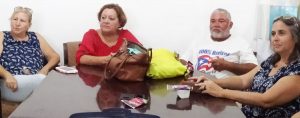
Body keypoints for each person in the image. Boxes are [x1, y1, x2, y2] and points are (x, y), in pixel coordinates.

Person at [193, 16, 300, 118]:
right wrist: (212, 82)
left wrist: (221, 92)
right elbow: (243, 80)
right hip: (244, 113)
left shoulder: (296, 70)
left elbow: (266, 100)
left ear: (295, 38)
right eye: (273, 34)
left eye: (281, 33)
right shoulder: (272, 60)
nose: (275, 38)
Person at [0, 6, 60, 102]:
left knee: (50, 84)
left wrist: (45, 69)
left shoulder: (36, 36)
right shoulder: (2, 36)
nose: (17, 23)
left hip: (36, 78)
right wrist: (7, 75)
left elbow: (55, 57)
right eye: (15, 19)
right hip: (12, 82)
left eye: (22, 21)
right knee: (47, 86)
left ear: (29, 25)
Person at [182, 8, 257, 78]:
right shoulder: (199, 41)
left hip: (224, 89)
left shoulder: (241, 43)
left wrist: (228, 65)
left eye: (221, 21)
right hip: (197, 85)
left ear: (230, 25)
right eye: (213, 21)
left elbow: (254, 69)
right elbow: (184, 61)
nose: (216, 25)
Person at [76, 3, 141, 65]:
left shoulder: (125, 35)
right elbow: (80, 58)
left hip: (119, 75)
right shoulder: (91, 35)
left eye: (111, 18)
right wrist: (106, 59)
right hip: (94, 75)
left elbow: (142, 55)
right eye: (103, 17)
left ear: (120, 23)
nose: (106, 21)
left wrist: (127, 55)